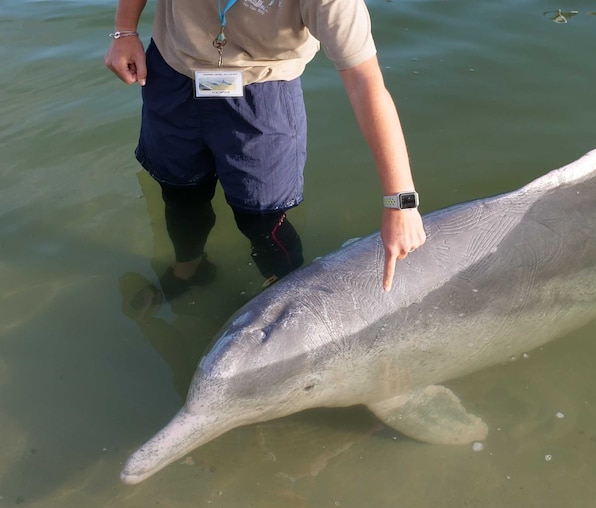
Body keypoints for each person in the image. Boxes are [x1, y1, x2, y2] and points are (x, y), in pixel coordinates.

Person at [105, 0, 426, 296]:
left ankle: (282, 293)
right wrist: (125, 31)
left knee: (262, 218)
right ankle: (189, 269)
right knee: (179, 195)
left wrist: (400, 202)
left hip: (262, 88)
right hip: (173, 71)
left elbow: (364, 81)